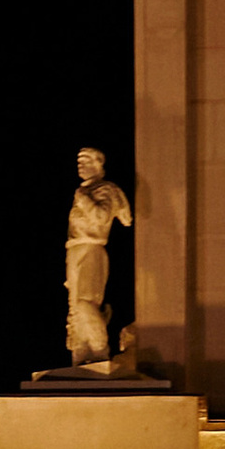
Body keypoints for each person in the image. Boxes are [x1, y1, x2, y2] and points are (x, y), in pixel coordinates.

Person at [64, 146, 132, 364]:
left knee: (86, 303)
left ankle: (99, 349)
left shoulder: (105, 189)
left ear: (98, 164)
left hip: (92, 249)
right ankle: (81, 352)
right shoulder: (84, 189)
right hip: (75, 250)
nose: (81, 166)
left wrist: (83, 198)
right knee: (75, 309)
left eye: (85, 161)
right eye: (79, 162)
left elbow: (102, 217)